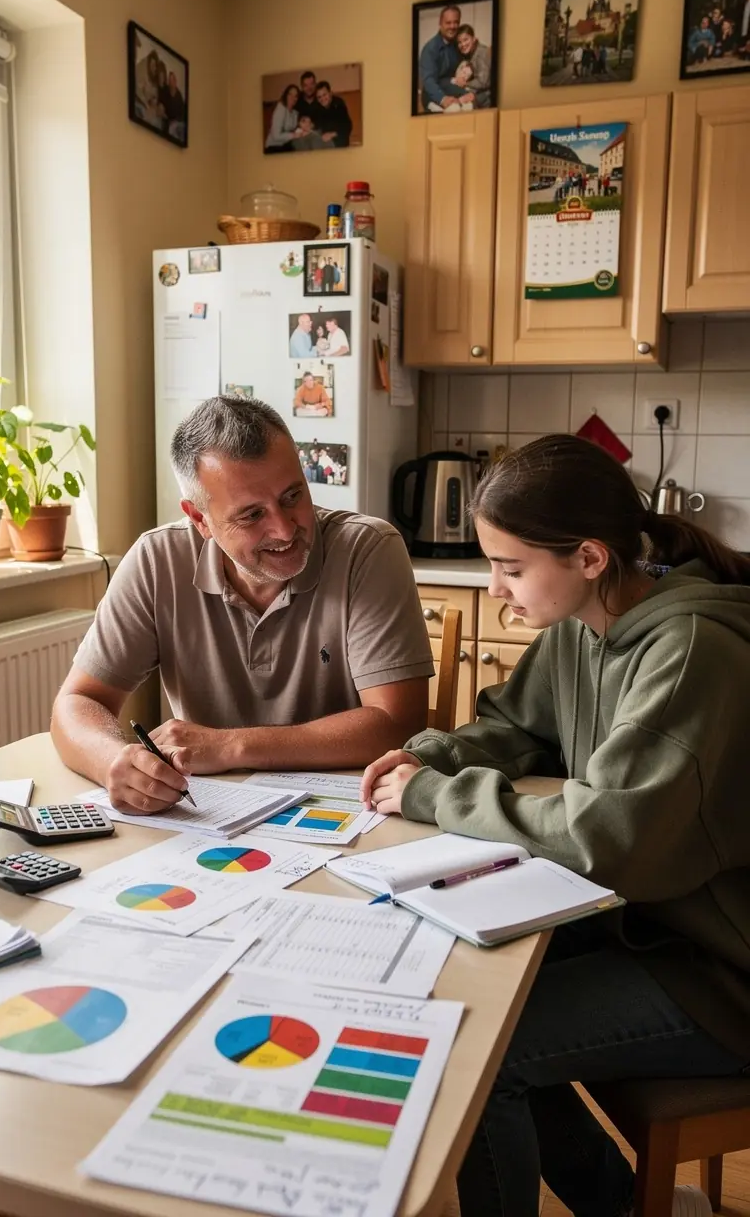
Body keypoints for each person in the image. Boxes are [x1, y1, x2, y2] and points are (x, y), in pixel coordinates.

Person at [361, 434, 750, 1217]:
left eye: (510, 567)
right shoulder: (586, 624)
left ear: (591, 557)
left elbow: (611, 840)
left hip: (718, 967)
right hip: (640, 922)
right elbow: (517, 726)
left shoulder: (690, 652)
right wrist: (423, 756)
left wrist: (435, 796)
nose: (497, 588)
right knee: (447, 982)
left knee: (474, 1054)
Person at [52, 397, 433, 814]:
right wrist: (114, 762)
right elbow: (76, 703)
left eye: (293, 495)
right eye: (252, 515)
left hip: (349, 813)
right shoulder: (156, 560)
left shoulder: (368, 549)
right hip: (210, 817)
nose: (285, 529)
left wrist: (229, 745)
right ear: (200, 519)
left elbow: (397, 723)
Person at [419, 5, 469, 113]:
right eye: (448, 22)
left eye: (456, 22)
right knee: (454, 110)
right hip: (434, 95)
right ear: (440, 23)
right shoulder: (430, 49)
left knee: (469, 106)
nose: (452, 26)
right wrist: (443, 99)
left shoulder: (459, 44)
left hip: (452, 89)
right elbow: (429, 81)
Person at [452, 23, 491, 108]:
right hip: (480, 93)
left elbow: (483, 82)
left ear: (473, 39)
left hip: (487, 97)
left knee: (458, 105)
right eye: (459, 42)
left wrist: (465, 84)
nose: (463, 44)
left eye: (466, 40)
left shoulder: (481, 53)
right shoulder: (471, 53)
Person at [312, 81, 352, 148]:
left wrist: (332, 134)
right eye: (319, 97)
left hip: (339, 142)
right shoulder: (317, 107)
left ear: (330, 93)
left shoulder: (338, 103)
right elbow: (316, 125)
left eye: (324, 95)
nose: (322, 99)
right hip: (324, 142)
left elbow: (348, 126)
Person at [265, 83, 301, 152]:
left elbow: (294, 130)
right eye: (290, 94)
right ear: (286, 95)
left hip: (286, 145)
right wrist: (293, 135)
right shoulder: (280, 108)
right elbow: (276, 136)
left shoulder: (295, 113)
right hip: (273, 146)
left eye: (295, 96)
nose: (293, 98)